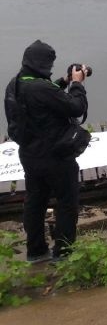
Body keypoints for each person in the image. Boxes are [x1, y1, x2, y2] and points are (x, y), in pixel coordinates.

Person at [4, 40, 89, 263]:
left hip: (30, 155)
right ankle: (63, 253)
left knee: (35, 201)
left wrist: (64, 81)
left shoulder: (16, 84)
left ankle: (35, 251)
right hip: (55, 156)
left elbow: (43, 98)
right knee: (66, 201)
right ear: (44, 64)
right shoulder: (41, 88)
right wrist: (77, 84)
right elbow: (76, 107)